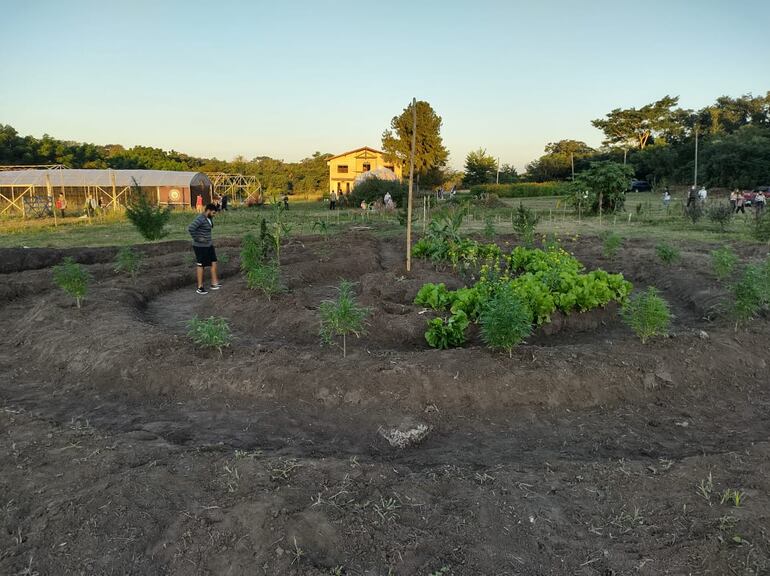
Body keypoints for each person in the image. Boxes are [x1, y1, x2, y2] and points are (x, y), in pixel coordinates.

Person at [187, 203, 221, 295]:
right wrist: (198, 238)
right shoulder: (200, 219)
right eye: (213, 213)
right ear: (208, 211)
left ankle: (214, 283)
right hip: (200, 246)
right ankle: (200, 287)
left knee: (214, 262)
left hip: (209, 245)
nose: (214, 215)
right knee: (201, 265)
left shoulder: (209, 218)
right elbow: (191, 228)